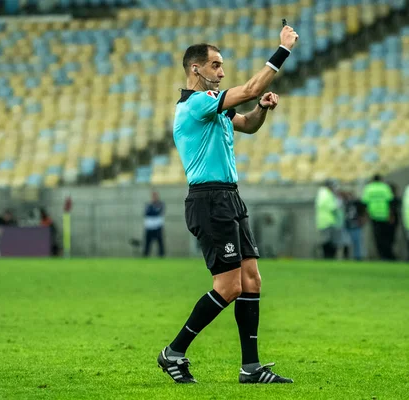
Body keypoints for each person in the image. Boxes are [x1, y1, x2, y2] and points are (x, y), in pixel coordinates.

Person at [157, 26, 299, 384]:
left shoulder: (212, 108)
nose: (221, 73)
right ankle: (173, 352)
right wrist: (282, 50)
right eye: (216, 66)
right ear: (196, 70)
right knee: (229, 286)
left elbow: (248, 124)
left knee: (251, 280)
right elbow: (250, 88)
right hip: (208, 200)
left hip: (229, 197)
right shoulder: (195, 105)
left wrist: (261, 109)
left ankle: (250, 367)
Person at [361, 174, 394, 260]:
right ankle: (387, 255)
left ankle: (381, 255)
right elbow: (390, 202)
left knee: (377, 237)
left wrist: (365, 216)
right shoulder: (385, 187)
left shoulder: (369, 188)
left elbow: (365, 203)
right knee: (386, 236)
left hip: (374, 215)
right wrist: (391, 215)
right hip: (384, 214)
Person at [315, 180, 343, 259]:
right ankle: (328, 256)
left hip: (324, 221)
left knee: (328, 240)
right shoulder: (326, 194)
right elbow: (332, 207)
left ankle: (327, 256)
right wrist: (338, 205)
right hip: (327, 220)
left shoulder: (322, 193)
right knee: (329, 241)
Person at [344, 191, 366, 260]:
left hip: (356, 226)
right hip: (347, 226)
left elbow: (364, 212)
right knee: (346, 243)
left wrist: (362, 221)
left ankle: (358, 257)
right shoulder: (345, 203)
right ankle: (346, 257)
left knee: (357, 243)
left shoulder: (357, 203)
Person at [143, 191, 165, 257]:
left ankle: (161, 255)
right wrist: (154, 210)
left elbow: (159, 212)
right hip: (149, 227)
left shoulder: (160, 204)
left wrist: (154, 211)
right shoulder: (148, 204)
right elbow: (147, 213)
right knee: (147, 243)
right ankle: (145, 255)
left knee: (160, 242)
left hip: (157, 227)